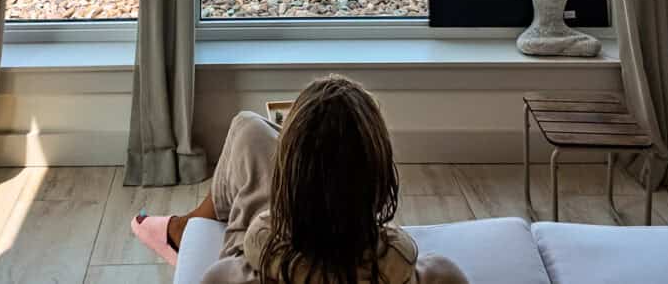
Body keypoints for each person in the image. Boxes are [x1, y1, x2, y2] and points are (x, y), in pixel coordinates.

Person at [130, 75, 468, 284]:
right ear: (381, 184)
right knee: (253, 132)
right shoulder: (441, 276)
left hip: (275, 256)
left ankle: (183, 228)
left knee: (248, 129)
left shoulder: (224, 278)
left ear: (283, 188)